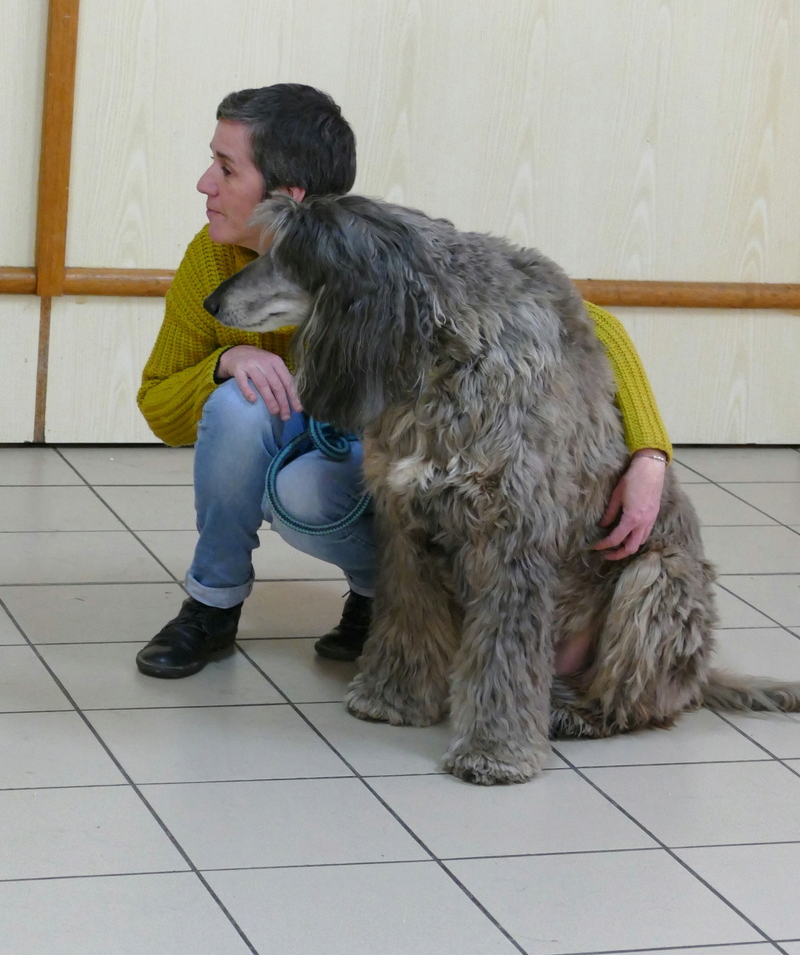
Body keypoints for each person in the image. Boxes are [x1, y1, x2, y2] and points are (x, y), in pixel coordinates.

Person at [135, 83, 672, 680]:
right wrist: (224, 361)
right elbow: (160, 406)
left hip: (377, 456)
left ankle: (382, 601)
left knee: (307, 492)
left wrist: (650, 454)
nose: (206, 183)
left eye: (226, 168)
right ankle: (211, 607)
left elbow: (591, 321)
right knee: (236, 408)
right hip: (307, 430)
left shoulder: (382, 253)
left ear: (288, 197)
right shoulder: (211, 259)